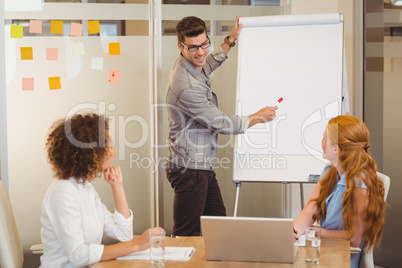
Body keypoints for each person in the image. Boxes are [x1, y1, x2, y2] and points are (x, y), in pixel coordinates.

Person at [165, 16, 278, 236]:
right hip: (190, 170)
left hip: (201, 167)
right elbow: (220, 122)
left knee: (217, 228)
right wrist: (257, 117)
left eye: (204, 44)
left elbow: (206, 66)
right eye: (193, 47)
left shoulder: (190, 64)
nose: (200, 52)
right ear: (181, 45)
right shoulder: (185, 85)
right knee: (187, 235)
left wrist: (229, 41)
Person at [40, 113, 164, 267]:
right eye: (109, 144)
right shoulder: (63, 192)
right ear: (91, 152)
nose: (112, 151)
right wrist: (138, 245)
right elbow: (78, 256)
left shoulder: (86, 188)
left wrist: (117, 186)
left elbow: (123, 234)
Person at [293, 115, 387, 268]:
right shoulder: (329, 172)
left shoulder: (359, 182)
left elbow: (355, 238)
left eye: (325, 138)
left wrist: (315, 232)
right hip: (322, 249)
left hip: (340, 258)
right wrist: (296, 231)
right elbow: (309, 211)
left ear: (336, 148)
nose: (321, 143)